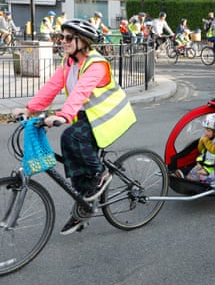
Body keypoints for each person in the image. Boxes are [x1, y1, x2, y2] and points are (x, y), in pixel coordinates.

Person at [12, 19, 136, 235]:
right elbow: (51, 87)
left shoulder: (96, 64)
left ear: (83, 41)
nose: (63, 41)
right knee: (70, 144)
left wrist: (63, 116)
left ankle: (99, 174)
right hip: (90, 116)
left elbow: (81, 91)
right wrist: (30, 109)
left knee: (72, 137)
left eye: (69, 37)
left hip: (110, 117)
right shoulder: (68, 63)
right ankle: (85, 205)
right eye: (62, 37)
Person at [175, 113, 215, 184]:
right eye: (205, 130)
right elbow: (200, 150)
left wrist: (205, 141)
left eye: (208, 131)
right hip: (203, 162)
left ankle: (187, 179)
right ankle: (182, 175)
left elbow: (214, 150)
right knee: (193, 170)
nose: (206, 133)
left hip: (211, 166)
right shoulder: (208, 138)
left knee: (195, 174)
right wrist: (201, 142)